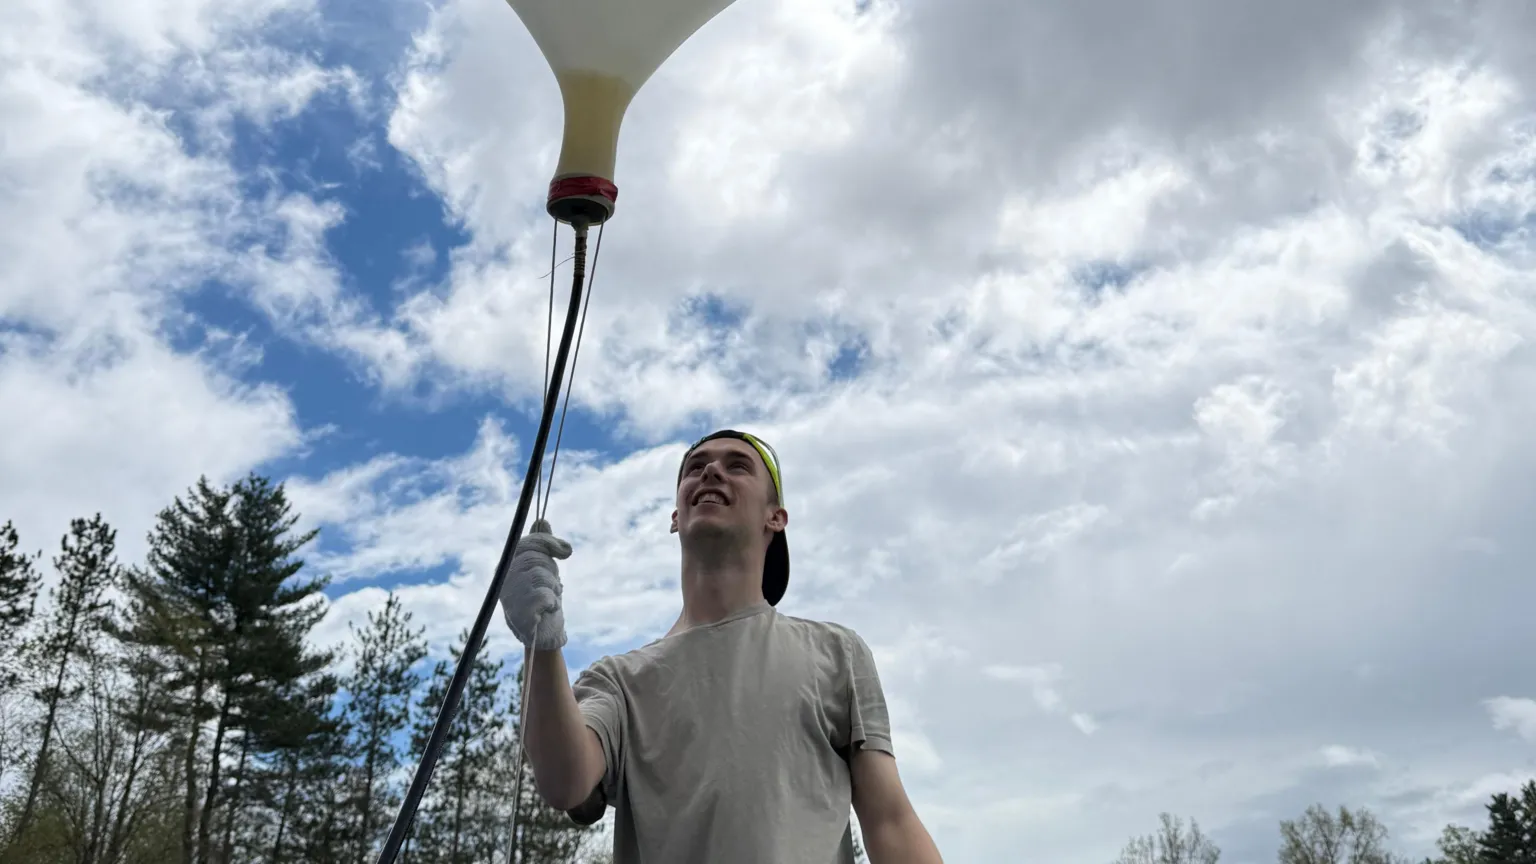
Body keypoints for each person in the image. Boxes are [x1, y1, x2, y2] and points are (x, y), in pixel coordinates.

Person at [499, 429, 944, 863]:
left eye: (737, 466)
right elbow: (564, 781)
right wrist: (541, 643)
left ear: (776, 517)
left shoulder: (837, 652)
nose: (711, 470)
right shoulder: (618, 681)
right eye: (695, 467)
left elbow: (891, 821)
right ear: (675, 517)